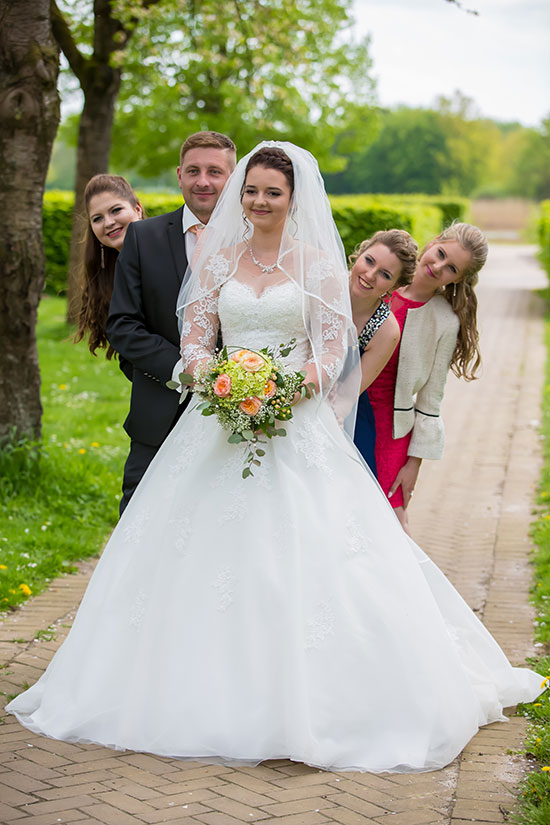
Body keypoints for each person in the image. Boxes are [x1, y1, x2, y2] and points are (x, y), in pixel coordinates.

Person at [6, 143, 542, 774]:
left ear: (293, 201)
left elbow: (331, 353)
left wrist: (283, 390)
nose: (259, 202)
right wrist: (222, 381)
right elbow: (198, 340)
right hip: (218, 419)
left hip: (295, 424)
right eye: (252, 191)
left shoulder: (317, 265)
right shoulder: (215, 258)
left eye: (273, 193)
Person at [106, 131, 236, 514]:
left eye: (215, 171)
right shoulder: (143, 237)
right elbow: (123, 324)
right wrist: (185, 370)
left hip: (237, 417)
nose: (203, 181)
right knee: (139, 523)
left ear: (233, 178)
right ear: (179, 175)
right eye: (193, 170)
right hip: (159, 412)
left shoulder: (256, 242)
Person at [367, 223, 487, 534]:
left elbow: (431, 400)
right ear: (434, 242)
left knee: (392, 521)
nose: (437, 266)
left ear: (458, 280)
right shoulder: (381, 284)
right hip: (347, 415)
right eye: (441, 254)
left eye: (451, 269)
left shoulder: (444, 321)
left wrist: (414, 463)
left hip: (392, 433)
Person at [349, 230, 418, 475]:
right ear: (359, 254)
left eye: (385, 275)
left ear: (395, 286)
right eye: (369, 261)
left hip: (344, 414)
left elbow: (348, 394)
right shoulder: (323, 288)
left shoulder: (386, 330)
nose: (369, 275)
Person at [73, 174, 143, 374]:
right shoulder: (107, 280)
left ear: (137, 208)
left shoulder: (173, 251)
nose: (109, 222)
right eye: (97, 218)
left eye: (116, 210)